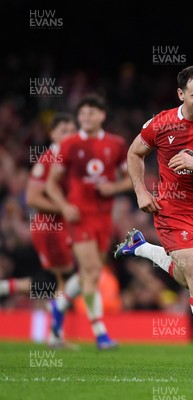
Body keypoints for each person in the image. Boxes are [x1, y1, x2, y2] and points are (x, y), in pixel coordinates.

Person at [114, 65, 193, 370]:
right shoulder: (161, 123)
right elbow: (135, 153)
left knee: (189, 280)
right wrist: (140, 192)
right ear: (181, 94)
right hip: (171, 210)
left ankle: (141, 248)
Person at [45, 94, 133, 350]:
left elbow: (130, 180)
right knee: (93, 269)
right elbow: (51, 184)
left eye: (91, 112)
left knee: (89, 273)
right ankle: (100, 332)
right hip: (80, 216)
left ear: (102, 115)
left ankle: (58, 308)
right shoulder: (70, 144)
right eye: (82, 113)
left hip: (104, 218)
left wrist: (113, 187)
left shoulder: (116, 144)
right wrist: (64, 207)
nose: (86, 117)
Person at [0, 113, 81, 348]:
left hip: (57, 228)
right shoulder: (49, 159)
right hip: (50, 228)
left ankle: (5, 287)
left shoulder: (68, 159)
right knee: (67, 278)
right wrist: (64, 208)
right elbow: (33, 198)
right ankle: (55, 336)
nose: (68, 134)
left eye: (71, 130)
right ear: (52, 134)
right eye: (63, 130)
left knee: (51, 282)